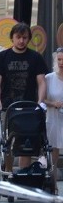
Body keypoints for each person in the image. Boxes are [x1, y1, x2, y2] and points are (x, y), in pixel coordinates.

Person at [0, 22, 47, 170]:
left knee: (26, 140)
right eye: (18, 37)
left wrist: (40, 102)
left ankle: (23, 174)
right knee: (7, 142)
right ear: (12, 38)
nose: (21, 41)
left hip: (29, 106)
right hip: (7, 106)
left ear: (29, 39)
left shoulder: (36, 58)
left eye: (25, 37)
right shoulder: (2, 57)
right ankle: (8, 172)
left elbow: (41, 82)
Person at [43, 46, 63, 178]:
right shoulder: (49, 78)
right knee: (53, 153)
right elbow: (42, 99)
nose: (62, 62)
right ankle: (52, 184)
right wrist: (53, 103)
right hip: (53, 119)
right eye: (59, 59)